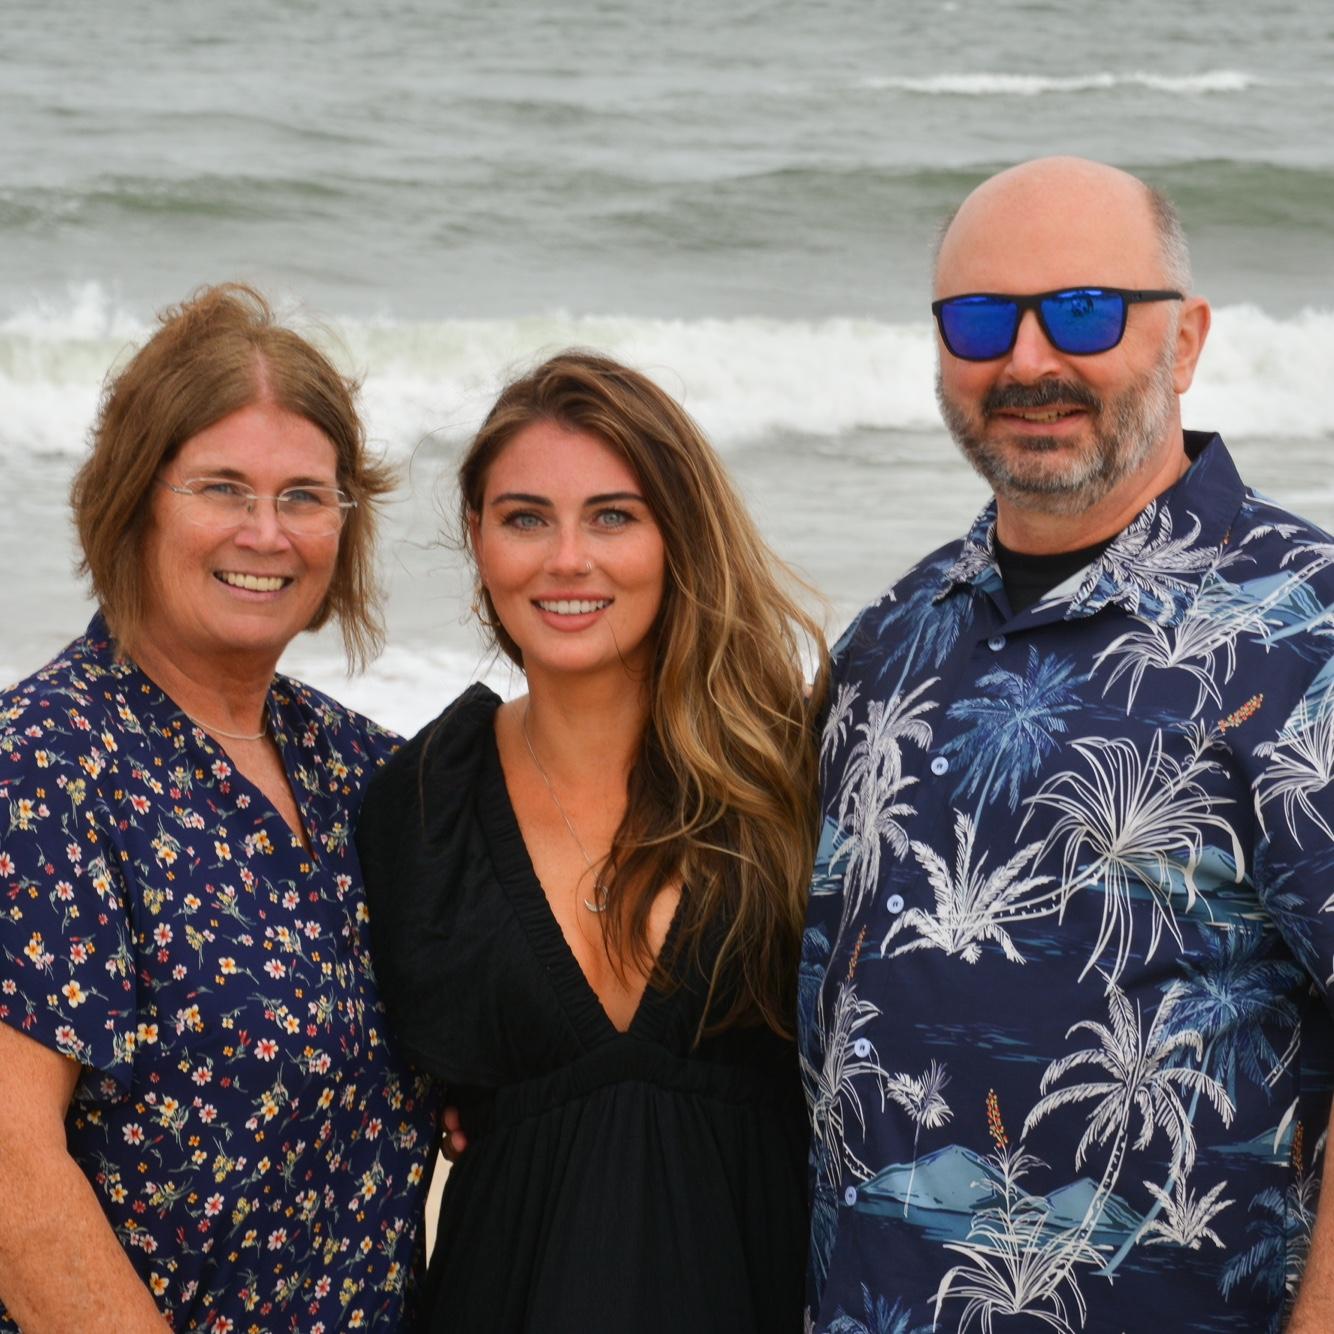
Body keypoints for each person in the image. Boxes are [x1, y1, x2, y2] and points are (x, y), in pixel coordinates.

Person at [802, 157, 1334, 1333]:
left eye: (1083, 312)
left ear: (1183, 340)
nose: (1027, 359)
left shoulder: (1304, 632)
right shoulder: (885, 644)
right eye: (980, 319)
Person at [357, 350, 825, 1332]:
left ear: (678, 533)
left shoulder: (789, 773)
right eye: (525, 517)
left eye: (612, 516)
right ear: (478, 537)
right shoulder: (418, 803)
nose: (567, 558)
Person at [0, 285, 439, 1331]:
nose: (266, 532)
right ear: (136, 498)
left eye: (305, 496)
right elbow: (13, 1168)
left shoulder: (366, 773)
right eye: (223, 488)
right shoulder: (45, 766)